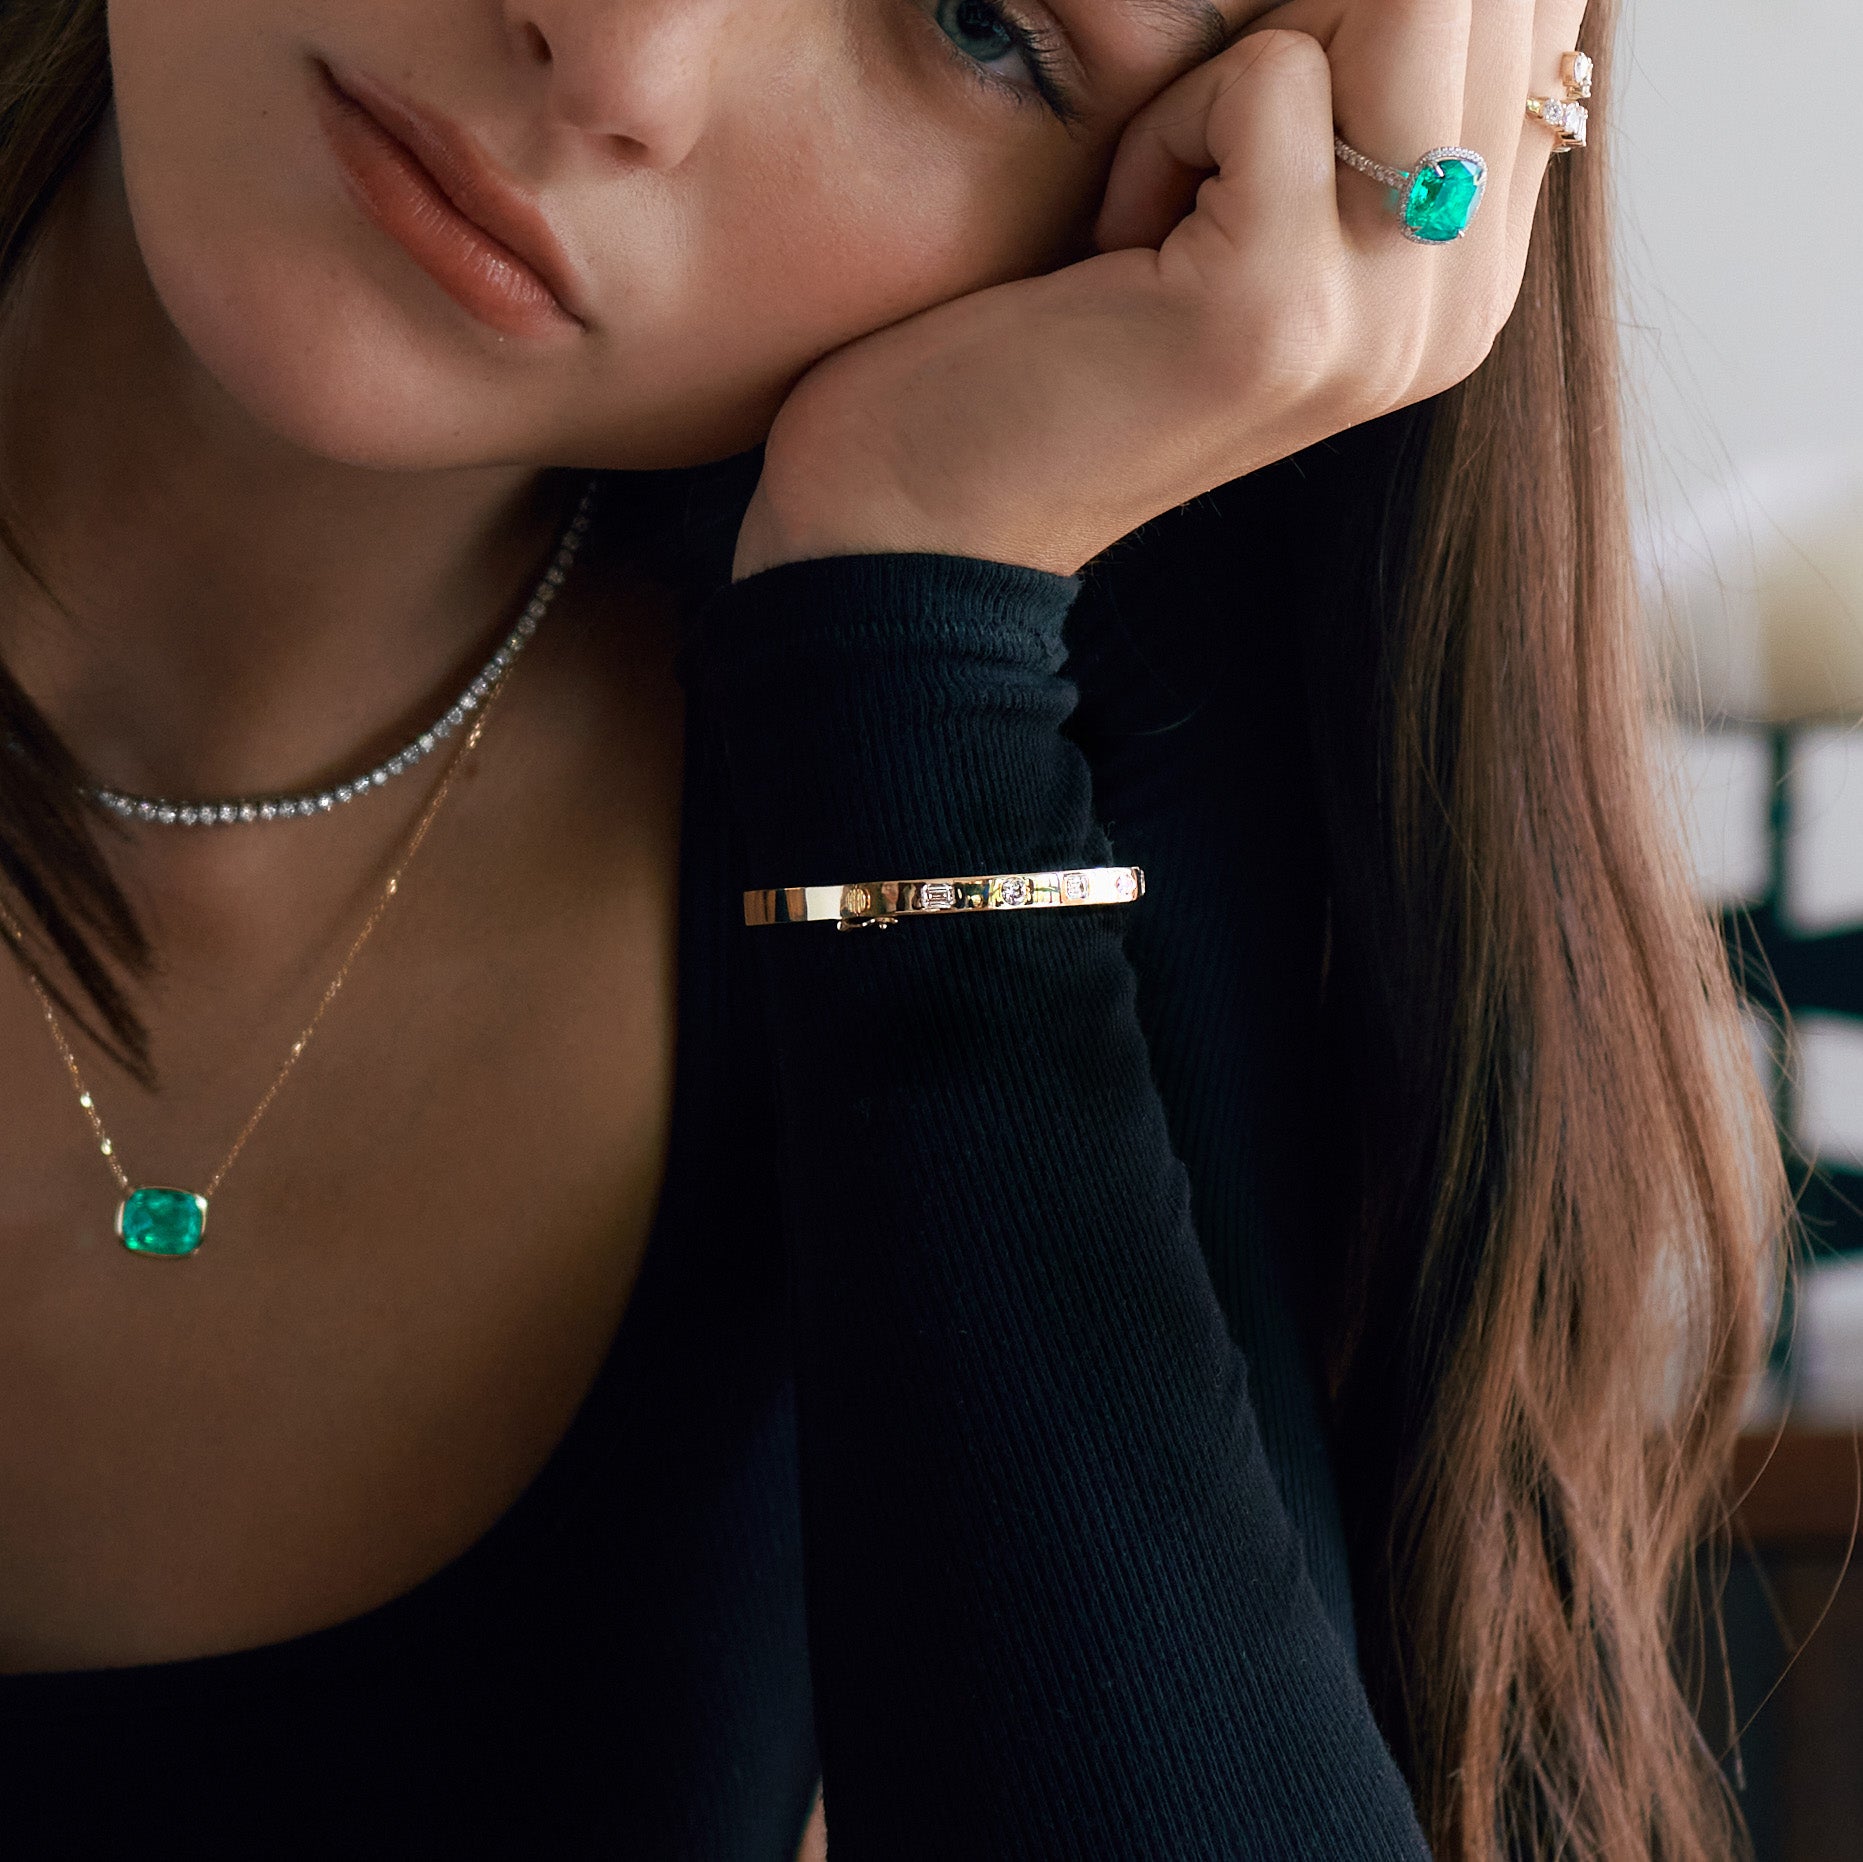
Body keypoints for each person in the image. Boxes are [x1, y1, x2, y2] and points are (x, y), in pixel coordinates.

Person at [0, 0, 1782, 1856]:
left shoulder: (1046, 774)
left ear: (1142, 205)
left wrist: (911, 638)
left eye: (973, 19)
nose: (623, 63)